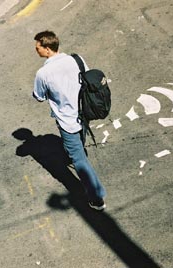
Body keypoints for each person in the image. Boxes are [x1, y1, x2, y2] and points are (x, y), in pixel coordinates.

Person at [32, 30, 106, 211]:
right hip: (85, 113)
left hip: (68, 121)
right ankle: (76, 152)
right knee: (78, 146)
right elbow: (88, 78)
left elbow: (39, 96)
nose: (36, 51)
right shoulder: (77, 59)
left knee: (79, 160)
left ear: (47, 49)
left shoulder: (43, 73)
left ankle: (97, 198)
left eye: (38, 48)